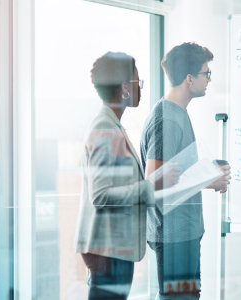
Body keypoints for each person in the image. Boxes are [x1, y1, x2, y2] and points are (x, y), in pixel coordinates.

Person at [74, 52, 182, 300]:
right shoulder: (104, 128)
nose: (141, 89)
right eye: (137, 83)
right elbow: (100, 196)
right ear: (124, 88)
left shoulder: (112, 125)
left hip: (112, 248)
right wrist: (150, 186)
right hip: (108, 250)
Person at [140, 42, 231, 300]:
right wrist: (207, 180)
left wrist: (209, 172)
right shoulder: (166, 119)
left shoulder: (178, 113)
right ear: (189, 78)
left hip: (184, 233)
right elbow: (154, 182)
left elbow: (177, 172)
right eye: (206, 73)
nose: (209, 79)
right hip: (172, 235)